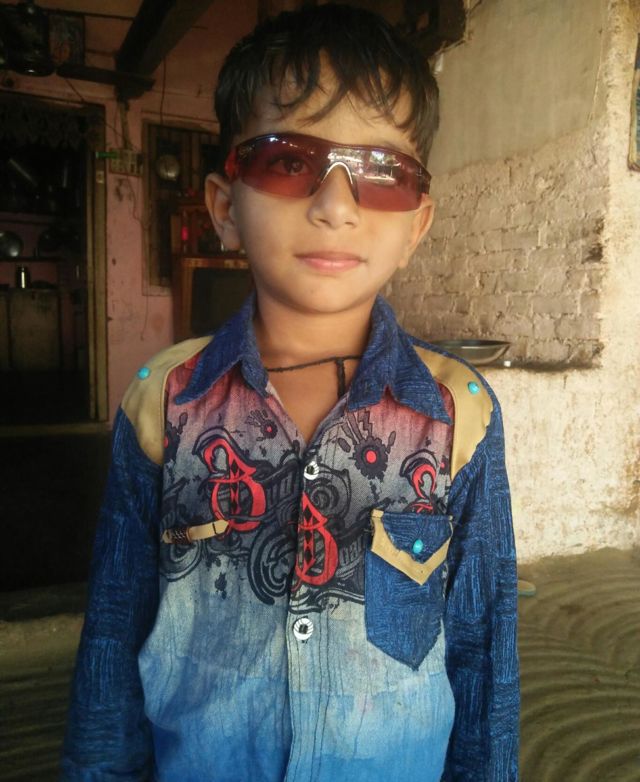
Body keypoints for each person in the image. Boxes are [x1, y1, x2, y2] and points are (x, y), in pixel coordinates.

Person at [61, 5, 519, 781]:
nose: (335, 204)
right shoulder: (163, 401)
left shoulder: (458, 414)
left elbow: (482, 649)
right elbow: (112, 633)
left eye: (381, 172)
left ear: (417, 225)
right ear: (223, 207)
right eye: (288, 160)